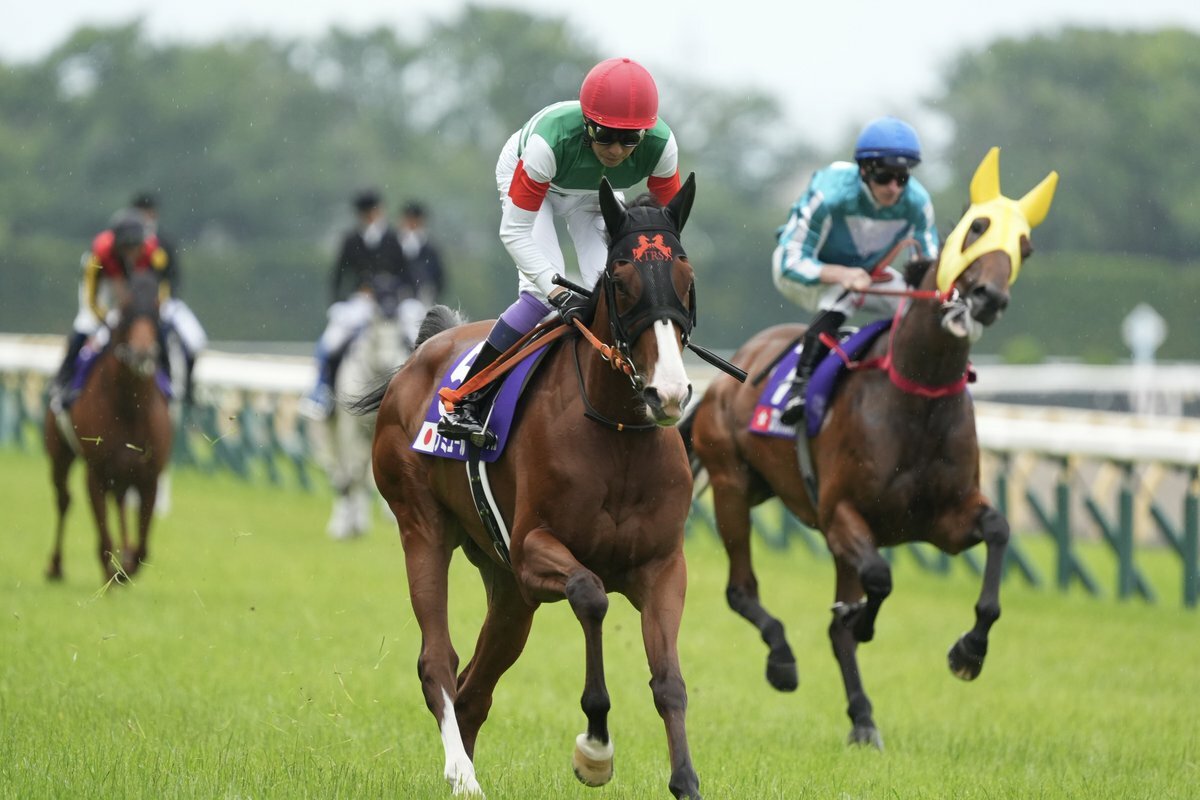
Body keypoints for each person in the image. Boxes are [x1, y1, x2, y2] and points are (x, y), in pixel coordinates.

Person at [437, 57, 682, 446]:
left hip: (596, 194)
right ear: (587, 123)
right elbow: (514, 231)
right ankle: (465, 397)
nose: (616, 150)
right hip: (537, 185)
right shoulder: (547, 145)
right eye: (605, 135)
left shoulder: (662, 146)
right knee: (539, 297)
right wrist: (555, 292)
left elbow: (667, 235)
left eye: (629, 140)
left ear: (645, 133)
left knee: (613, 291)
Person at [771, 116, 940, 425]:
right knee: (844, 292)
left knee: (920, 306)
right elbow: (790, 261)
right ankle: (800, 388)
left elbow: (931, 270)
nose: (894, 188)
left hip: (865, 276)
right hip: (803, 275)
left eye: (902, 178)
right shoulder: (830, 195)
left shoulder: (917, 202)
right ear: (864, 170)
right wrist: (842, 274)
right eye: (885, 177)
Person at [299, 189, 412, 420]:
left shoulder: (393, 239)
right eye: (366, 213)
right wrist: (342, 299)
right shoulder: (351, 239)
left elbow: (406, 274)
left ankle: (418, 395)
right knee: (330, 343)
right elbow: (339, 275)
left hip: (389, 304)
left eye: (372, 212)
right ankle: (323, 393)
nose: (369, 217)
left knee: (415, 339)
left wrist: (390, 287)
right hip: (362, 303)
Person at [50, 212, 171, 411]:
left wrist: (151, 313)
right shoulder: (98, 255)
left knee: (163, 330)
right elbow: (91, 298)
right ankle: (63, 382)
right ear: (117, 245)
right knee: (83, 327)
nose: (131, 253)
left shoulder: (156, 255)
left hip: (137, 291)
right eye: (126, 247)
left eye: (135, 247)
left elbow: (162, 290)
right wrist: (106, 320)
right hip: (104, 288)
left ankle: (168, 381)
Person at [130, 191, 207, 405]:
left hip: (163, 303)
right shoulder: (127, 242)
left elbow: (173, 276)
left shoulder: (164, 243)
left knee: (195, 339)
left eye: (148, 213)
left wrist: (163, 299)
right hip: (132, 305)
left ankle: (187, 391)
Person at [398, 201, 446, 306]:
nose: (412, 224)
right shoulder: (394, 246)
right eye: (409, 220)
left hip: (424, 297)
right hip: (398, 296)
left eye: (415, 220)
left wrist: (429, 290)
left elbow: (439, 279)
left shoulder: (430, 249)